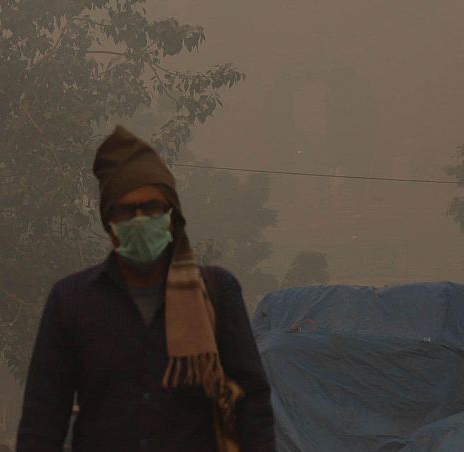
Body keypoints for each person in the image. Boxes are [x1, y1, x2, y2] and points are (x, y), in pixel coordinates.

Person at [16, 126, 275, 452]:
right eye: (126, 210)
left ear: (171, 218)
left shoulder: (217, 292)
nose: (139, 219)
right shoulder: (71, 300)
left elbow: (253, 403)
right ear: (110, 224)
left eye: (151, 207)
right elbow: (43, 416)